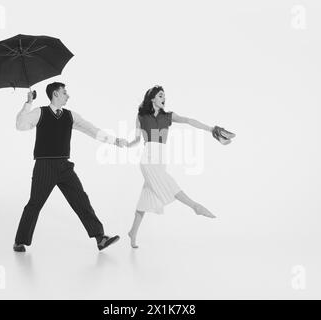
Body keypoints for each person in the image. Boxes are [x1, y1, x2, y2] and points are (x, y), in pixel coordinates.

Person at [13, 82, 127, 252]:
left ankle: (100, 238)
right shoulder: (40, 112)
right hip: (45, 166)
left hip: (64, 166)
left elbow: (91, 129)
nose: (68, 95)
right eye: (64, 92)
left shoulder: (70, 115)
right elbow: (20, 125)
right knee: (35, 204)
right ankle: (20, 241)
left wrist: (114, 140)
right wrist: (28, 103)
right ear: (55, 94)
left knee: (81, 200)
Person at [126, 85, 235, 248]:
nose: (164, 98)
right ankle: (195, 206)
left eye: (164, 96)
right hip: (148, 158)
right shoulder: (141, 116)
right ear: (152, 98)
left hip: (161, 159)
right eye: (161, 95)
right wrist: (126, 144)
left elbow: (189, 120)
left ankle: (133, 232)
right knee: (169, 182)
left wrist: (211, 129)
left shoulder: (168, 116)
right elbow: (136, 139)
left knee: (147, 195)